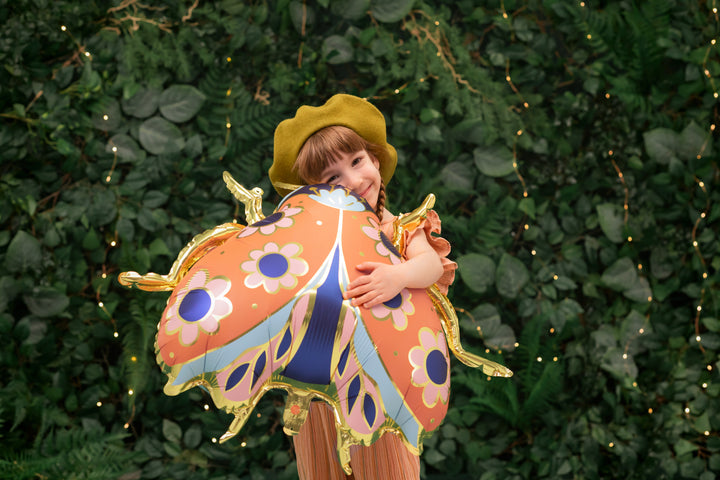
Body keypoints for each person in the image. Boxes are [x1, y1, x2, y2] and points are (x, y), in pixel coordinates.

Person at [269, 94, 457, 479]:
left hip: (380, 382)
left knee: (386, 467)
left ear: (375, 159)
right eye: (332, 177)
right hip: (320, 380)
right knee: (325, 468)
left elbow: (430, 265)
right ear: (314, 192)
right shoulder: (308, 240)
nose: (353, 181)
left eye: (357, 162)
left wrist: (399, 275)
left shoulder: (400, 228)